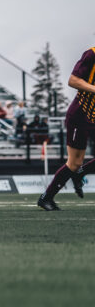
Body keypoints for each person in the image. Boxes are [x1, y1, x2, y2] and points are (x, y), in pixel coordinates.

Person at [37, 46, 95, 210]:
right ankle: (46, 198)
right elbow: (73, 80)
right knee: (74, 163)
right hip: (80, 115)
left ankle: (82, 172)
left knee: (78, 166)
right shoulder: (92, 54)